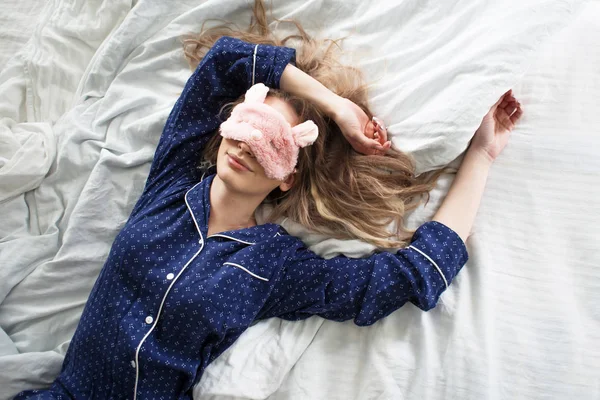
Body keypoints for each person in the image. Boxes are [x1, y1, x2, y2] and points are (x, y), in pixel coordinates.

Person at [14, 2, 523, 400]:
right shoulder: (169, 188)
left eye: (272, 143)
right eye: (245, 128)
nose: (245, 145)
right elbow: (224, 61)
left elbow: (409, 277)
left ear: (288, 178)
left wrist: (481, 154)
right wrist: (338, 107)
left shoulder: (272, 266)